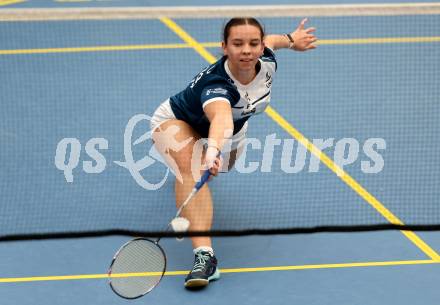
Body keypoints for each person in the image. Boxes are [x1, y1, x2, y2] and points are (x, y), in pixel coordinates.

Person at [150, 17, 317, 289]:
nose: (247, 50)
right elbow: (222, 120)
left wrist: (290, 40)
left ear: (262, 47)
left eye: (253, 43)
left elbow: (273, 41)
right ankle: (204, 257)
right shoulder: (218, 85)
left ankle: (192, 169)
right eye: (237, 44)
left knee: (218, 168)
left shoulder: (268, 62)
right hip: (177, 121)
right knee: (191, 169)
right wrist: (211, 150)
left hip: (233, 129)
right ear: (224, 47)